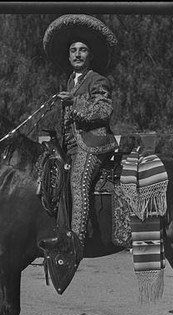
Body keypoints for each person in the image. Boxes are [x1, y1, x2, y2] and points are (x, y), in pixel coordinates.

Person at [41, 14, 119, 266]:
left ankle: (75, 244)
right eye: (73, 50)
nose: (77, 54)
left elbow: (103, 111)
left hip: (94, 145)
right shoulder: (69, 81)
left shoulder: (98, 80)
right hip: (70, 147)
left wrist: (73, 102)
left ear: (90, 55)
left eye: (83, 50)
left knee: (78, 180)